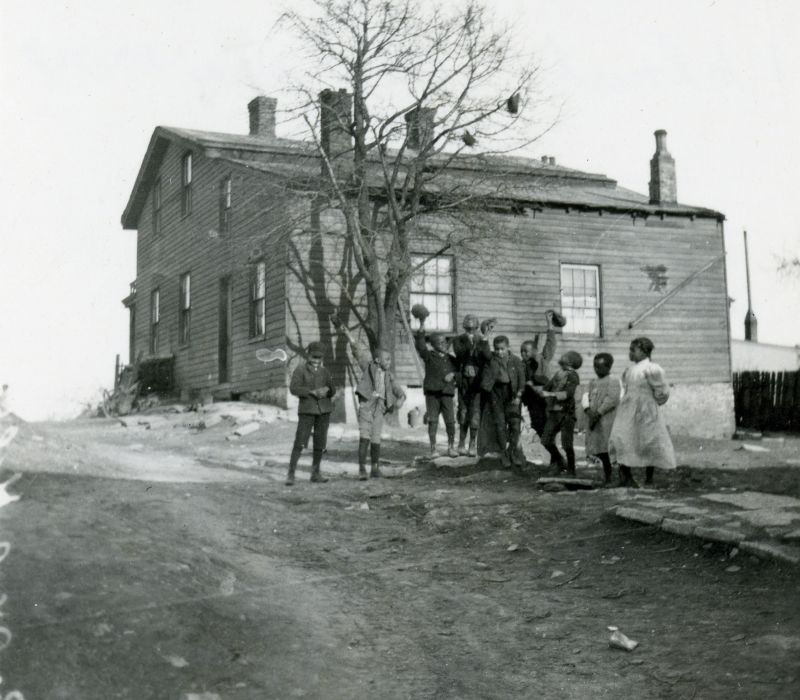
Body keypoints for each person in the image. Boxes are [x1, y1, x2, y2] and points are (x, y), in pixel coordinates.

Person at [334, 318, 406, 479]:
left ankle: (375, 468)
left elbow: (398, 390)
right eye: (387, 359)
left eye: (390, 359)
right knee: (365, 435)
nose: (390, 362)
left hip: (380, 408)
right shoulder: (369, 366)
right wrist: (347, 333)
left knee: (376, 437)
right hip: (367, 404)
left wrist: (401, 398)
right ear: (378, 360)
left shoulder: (389, 375)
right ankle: (361, 469)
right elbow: (358, 350)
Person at [609, 337, 676, 487]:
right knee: (622, 437)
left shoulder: (652, 369)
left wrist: (653, 402)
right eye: (630, 350)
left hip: (646, 409)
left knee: (648, 440)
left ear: (644, 351)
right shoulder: (629, 371)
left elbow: (662, 390)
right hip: (628, 409)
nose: (630, 353)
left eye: (633, 350)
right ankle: (626, 475)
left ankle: (649, 478)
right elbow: (625, 390)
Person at [286, 342, 337, 486]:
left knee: (320, 443)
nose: (316, 360)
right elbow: (294, 388)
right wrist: (310, 391)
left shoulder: (325, 371)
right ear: (309, 355)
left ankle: (315, 473)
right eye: (314, 357)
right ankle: (291, 474)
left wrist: (327, 389)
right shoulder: (300, 370)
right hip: (307, 410)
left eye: (319, 358)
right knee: (300, 442)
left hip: (323, 411)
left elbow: (333, 389)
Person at [478, 333, 527, 469]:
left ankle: (513, 452)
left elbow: (522, 380)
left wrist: (518, 396)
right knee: (500, 425)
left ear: (508, 347)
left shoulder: (516, 360)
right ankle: (503, 453)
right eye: (497, 349)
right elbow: (485, 349)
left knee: (515, 426)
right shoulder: (491, 359)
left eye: (502, 349)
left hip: (512, 395)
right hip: (496, 395)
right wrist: (485, 337)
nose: (499, 352)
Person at [414, 322, 460, 457]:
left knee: (450, 421)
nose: (443, 345)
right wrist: (421, 332)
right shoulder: (429, 356)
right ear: (433, 345)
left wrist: (453, 375)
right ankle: (433, 449)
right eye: (440, 343)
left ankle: (451, 447)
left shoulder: (452, 359)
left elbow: (460, 372)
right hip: (432, 394)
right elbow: (420, 346)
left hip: (447, 393)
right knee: (433, 420)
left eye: (445, 342)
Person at [537, 350, 582, 476]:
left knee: (567, 444)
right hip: (553, 412)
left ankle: (571, 470)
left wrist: (550, 394)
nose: (562, 356)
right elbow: (547, 386)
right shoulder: (559, 373)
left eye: (565, 356)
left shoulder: (573, 375)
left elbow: (568, 394)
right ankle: (560, 461)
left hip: (566, 413)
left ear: (570, 362)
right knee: (545, 440)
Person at [583, 352, 621, 485]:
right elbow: (586, 396)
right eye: (595, 366)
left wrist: (598, 413)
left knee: (609, 447)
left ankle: (618, 475)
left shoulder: (613, 381)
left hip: (607, 419)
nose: (597, 369)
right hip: (595, 419)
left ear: (609, 367)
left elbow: (612, 399)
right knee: (600, 449)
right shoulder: (593, 382)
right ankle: (607, 475)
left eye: (600, 367)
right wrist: (588, 411)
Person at [520, 310, 559, 438]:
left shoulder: (543, 359)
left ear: (535, 351)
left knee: (546, 420)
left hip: (544, 397)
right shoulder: (522, 365)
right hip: (532, 400)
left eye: (526, 351)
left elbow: (551, 343)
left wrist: (549, 325)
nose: (523, 354)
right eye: (522, 352)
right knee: (536, 422)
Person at [451, 314, 485, 456]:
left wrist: (479, 340)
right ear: (464, 326)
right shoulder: (458, 339)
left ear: (477, 327)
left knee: (475, 413)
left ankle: (472, 443)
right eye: (468, 327)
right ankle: (461, 443)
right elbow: (460, 354)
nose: (470, 330)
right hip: (464, 381)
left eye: (473, 328)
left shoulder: (481, 339)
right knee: (463, 412)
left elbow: (484, 356)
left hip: (477, 381)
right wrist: (469, 341)